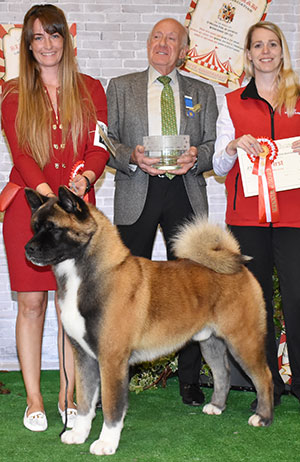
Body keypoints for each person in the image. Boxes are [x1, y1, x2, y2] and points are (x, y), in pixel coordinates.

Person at [1, 4, 109, 431]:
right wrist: (49, 199)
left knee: (70, 307)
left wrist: (83, 181)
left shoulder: (92, 88)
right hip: (30, 212)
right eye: (37, 38)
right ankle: (34, 398)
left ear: (67, 38)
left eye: (54, 34)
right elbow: (22, 154)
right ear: (28, 46)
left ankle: (68, 393)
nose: (47, 44)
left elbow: (100, 146)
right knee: (31, 305)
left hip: (77, 217)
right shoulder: (11, 94)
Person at [106, 18, 218, 406]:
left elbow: (211, 147)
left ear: (184, 50)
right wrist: (131, 156)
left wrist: (196, 157)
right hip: (138, 188)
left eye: (173, 39)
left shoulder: (204, 91)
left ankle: (189, 378)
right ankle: (122, 373)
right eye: (158, 37)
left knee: (190, 287)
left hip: (185, 191)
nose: (164, 43)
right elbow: (109, 142)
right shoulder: (121, 87)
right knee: (124, 288)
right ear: (148, 44)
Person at [213, 21, 300, 409]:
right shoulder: (231, 101)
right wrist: (233, 146)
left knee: (298, 298)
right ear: (247, 55)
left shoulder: (298, 97)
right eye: (258, 46)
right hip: (246, 217)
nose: (265, 52)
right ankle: (269, 387)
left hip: (295, 216)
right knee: (256, 302)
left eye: (272, 44)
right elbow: (217, 164)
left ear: (282, 50)